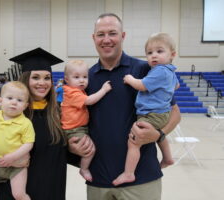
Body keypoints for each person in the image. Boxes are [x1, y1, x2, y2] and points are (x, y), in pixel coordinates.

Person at [69, 13, 181, 200]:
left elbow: (175, 115)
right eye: (100, 34)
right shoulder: (85, 79)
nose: (106, 40)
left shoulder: (146, 70)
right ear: (93, 38)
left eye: (112, 33)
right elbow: (72, 120)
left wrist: (159, 134)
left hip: (142, 179)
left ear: (123, 36)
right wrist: (74, 146)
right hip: (98, 180)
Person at [0, 47, 70, 200]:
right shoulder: (7, 113)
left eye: (47, 78)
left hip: (51, 186)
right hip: (15, 188)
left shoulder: (57, 112)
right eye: (36, 77)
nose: (42, 83)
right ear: (26, 78)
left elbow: (65, 151)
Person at [113, 32, 179, 185]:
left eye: (159, 51)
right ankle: (168, 158)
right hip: (162, 112)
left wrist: (130, 79)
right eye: (149, 53)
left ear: (172, 54)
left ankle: (129, 173)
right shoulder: (170, 71)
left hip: (151, 113)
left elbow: (142, 85)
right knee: (159, 135)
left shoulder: (159, 70)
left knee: (134, 142)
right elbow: (176, 85)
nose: (153, 56)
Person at [61, 60, 111, 182]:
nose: (82, 80)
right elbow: (89, 101)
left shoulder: (77, 90)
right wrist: (103, 90)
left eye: (85, 76)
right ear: (67, 79)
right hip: (73, 129)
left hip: (78, 127)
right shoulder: (71, 92)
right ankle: (84, 168)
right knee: (90, 150)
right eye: (76, 77)